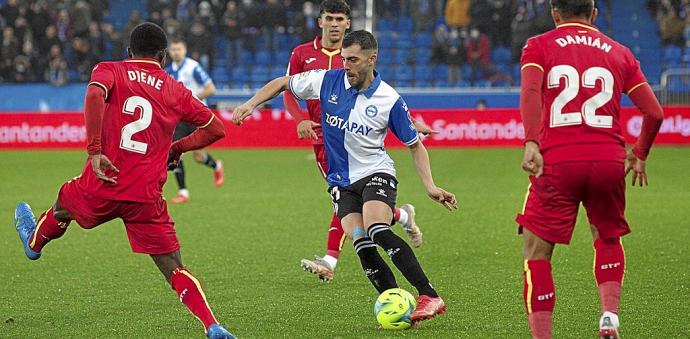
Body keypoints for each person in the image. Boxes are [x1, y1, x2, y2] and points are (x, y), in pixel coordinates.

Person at [13, 23, 235, 339]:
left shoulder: (110, 70)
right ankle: (212, 325)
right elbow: (216, 129)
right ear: (162, 56)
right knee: (174, 268)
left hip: (103, 182)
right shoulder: (176, 89)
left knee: (63, 205)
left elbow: (93, 94)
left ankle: (34, 243)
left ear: (129, 52)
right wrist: (177, 148)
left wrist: (94, 150)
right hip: (146, 195)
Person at [233, 29, 457, 325]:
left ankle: (430, 295)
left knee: (377, 229)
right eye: (343, 59)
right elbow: (281, 83)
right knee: (362, 243)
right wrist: (251, 104)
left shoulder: (389, 99)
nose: (346, 65)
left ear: (371, 59)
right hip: (340, 181)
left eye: (353, 59)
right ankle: (398, 306)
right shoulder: (327, 80)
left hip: (375, 172)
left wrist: (430, 186)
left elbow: (415, 145)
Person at [516, 1, 665, 338]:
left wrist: (531, 141)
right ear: (594, 14)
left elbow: (530, 91)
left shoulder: (538, 46)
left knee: (536, 253)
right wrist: (639, 152)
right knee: (607, 237)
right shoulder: (620, 52)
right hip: (609, 162)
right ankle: (609, 315)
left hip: (558, 162)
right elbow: (655, 113)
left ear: (555, 13)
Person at [283, 0, 433, 282]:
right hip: (323, 138)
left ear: (348, 23)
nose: (335, 23)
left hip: (352, 139)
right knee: (351, 200)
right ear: (320, 22)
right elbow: (287, 89)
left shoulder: (357, 53)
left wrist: (412, 123)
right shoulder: (302, 53)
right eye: (330, 18)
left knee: (344, 197)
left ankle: (329, 260)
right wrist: (299, 119)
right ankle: (401, 216)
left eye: (340, 19)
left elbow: (379, 98)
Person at [165, 37, 224, 204]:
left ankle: (216, 166)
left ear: (184, 50)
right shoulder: (168, 71)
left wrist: (190, 99)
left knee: (198, 156)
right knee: (175, 152)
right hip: (180, 118)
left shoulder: (193, 67)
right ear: (170, 52)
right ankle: (183, 192)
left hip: (198, 117)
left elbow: (211, 88)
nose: (176, 52)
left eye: (179, 49)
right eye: (174, 50)